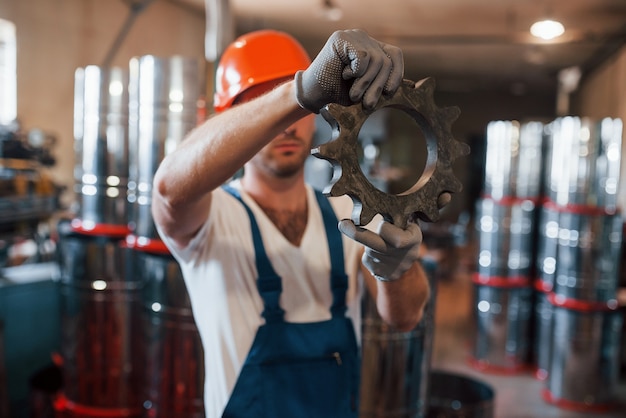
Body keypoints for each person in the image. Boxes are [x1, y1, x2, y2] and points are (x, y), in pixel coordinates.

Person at [152, 28, 431, 418]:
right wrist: (297, 93)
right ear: (235, 120)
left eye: (299, 111)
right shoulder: (209, 220)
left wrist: (398, 270)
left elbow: (405, 318)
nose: (287, 125)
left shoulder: (348, 215)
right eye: (263, 104)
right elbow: (168, 187)